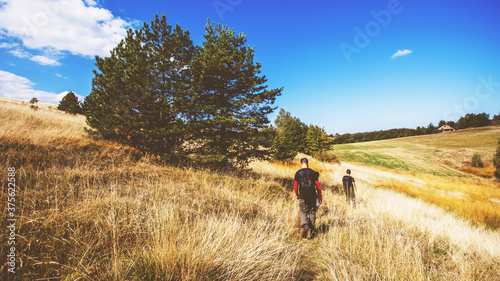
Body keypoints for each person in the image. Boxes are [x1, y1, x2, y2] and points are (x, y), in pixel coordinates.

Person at [294, 158, 323, 239]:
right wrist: (320, 196)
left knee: (303, 212)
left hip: (302, 196)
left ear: (301, 163)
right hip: (312, 195)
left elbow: (295, 186)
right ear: (307, 163)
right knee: (312, 213)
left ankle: (305, 225)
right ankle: (313, 232)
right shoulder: (313, 172)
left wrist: (297, 195)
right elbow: (318, 186)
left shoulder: (297, 173)